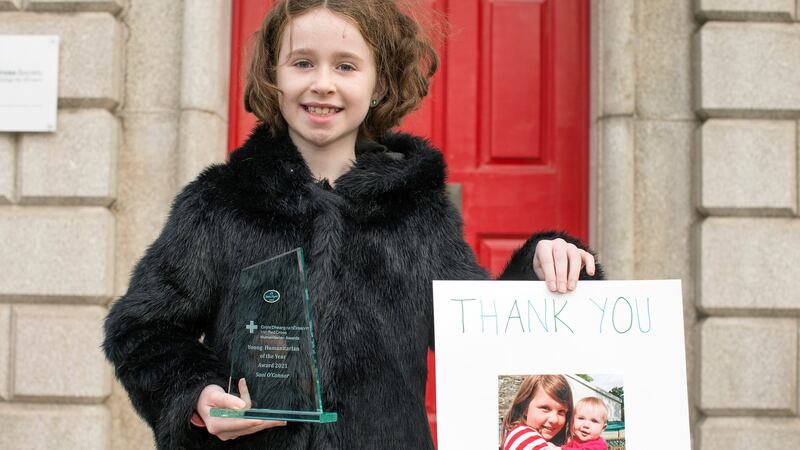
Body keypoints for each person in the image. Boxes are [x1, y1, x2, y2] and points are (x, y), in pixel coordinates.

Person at [103, 1, 602, 449]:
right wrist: (197, 394)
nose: (322, 82)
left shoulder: (417, 214)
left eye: (345, 65)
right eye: (302, 63)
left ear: (378, 81)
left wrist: (544, 265)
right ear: (273, 76)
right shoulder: (219, 203)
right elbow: (142, 331)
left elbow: (477, 331)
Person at [501, 375, 574, 450]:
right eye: (545, 408)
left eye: (561, 411)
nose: (554, 419)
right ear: (525, 408)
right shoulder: (523, 436)